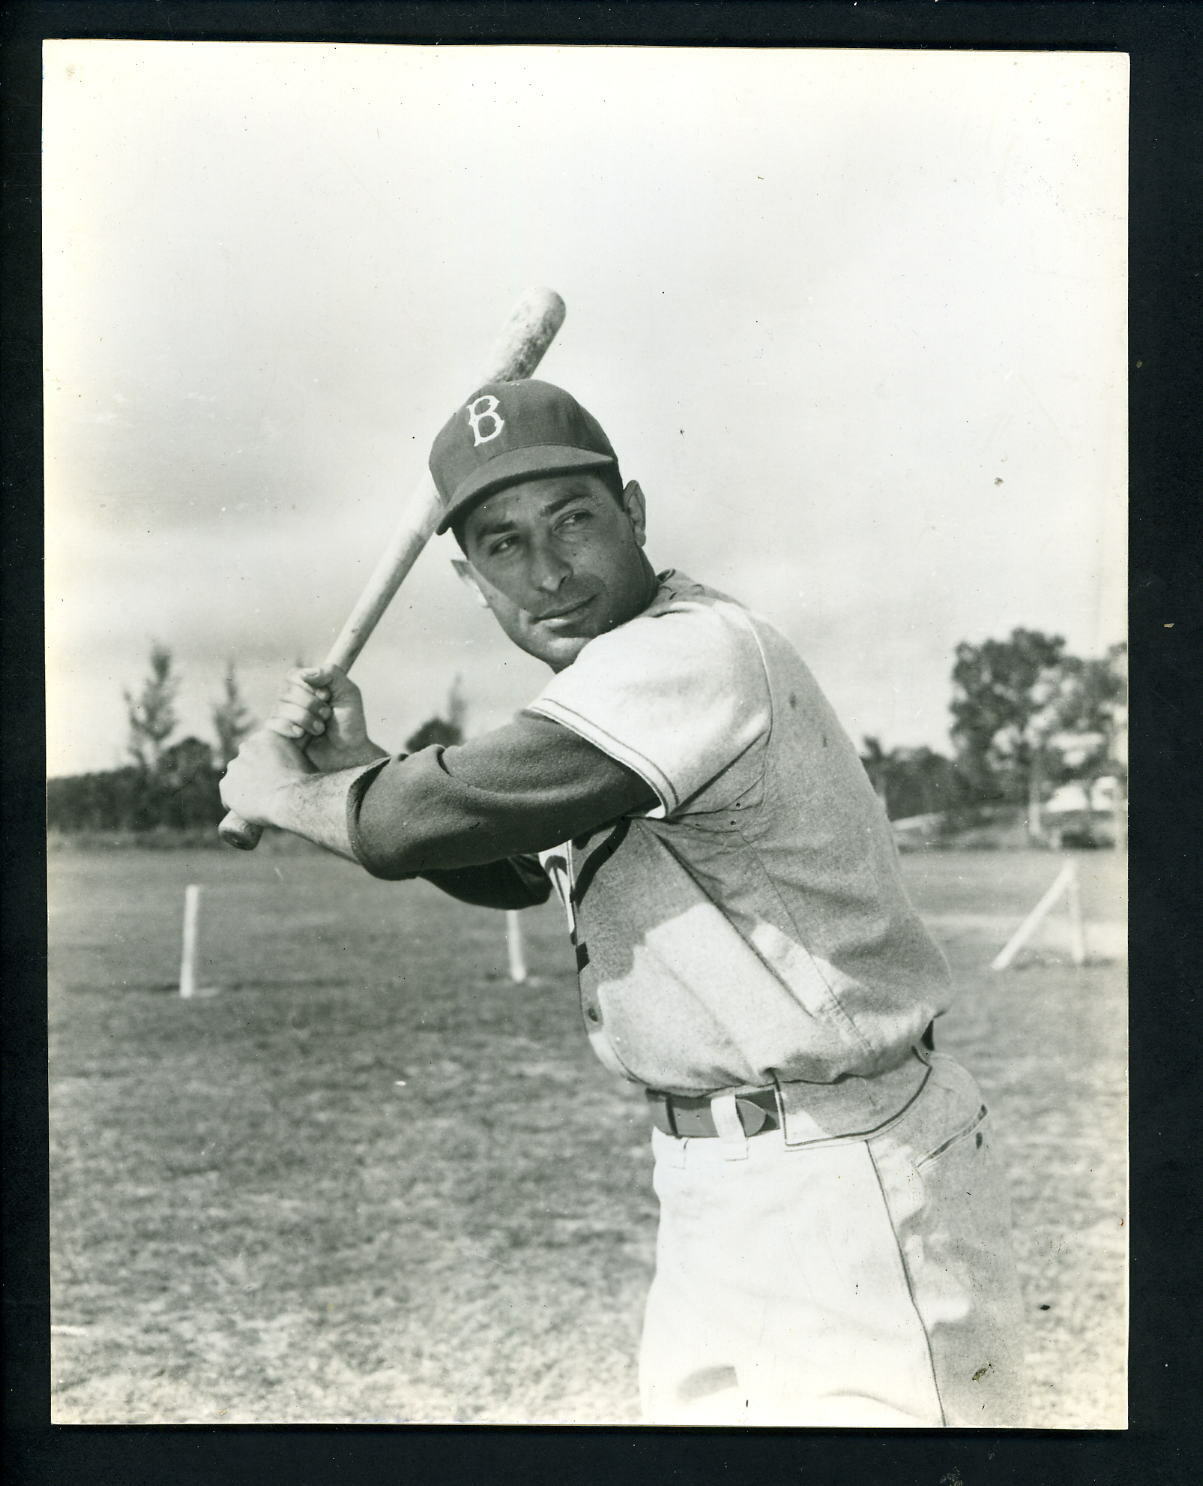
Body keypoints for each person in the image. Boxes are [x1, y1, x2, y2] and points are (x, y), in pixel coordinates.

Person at [221, 377, 1026, 1426]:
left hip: (846, 1174)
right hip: (721, 1184)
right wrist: (361, 763)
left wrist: (285, 792)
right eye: (504, 545)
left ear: (633, 513)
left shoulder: (692, 651)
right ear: (470, 577)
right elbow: (510, 865)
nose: (548, 571)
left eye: (573, 522)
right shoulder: (605, 686)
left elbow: (413, 822)